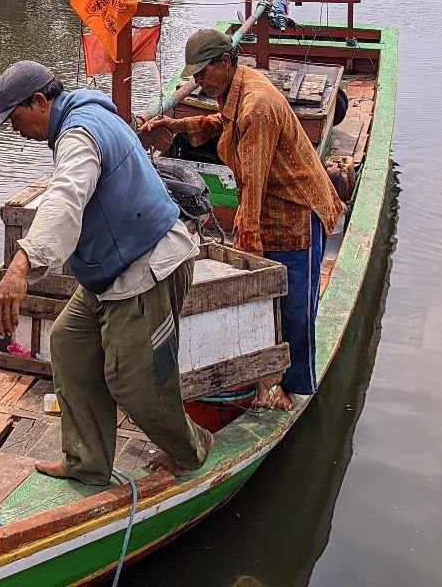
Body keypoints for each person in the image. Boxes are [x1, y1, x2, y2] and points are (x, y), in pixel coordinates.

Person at [0, 60, 214, 485]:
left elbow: (67, 196)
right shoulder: (89, 114)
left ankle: (192, 448)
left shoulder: (78, 135)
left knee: (135, 383)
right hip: (107, 273)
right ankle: (88, 462)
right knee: (69, 343)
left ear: (39, 101)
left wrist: (22, 264)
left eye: (15, 119)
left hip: (146, 269)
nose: (15, 131)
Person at [142, 30, 347, 411]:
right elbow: (223, 121)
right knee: (273, 294)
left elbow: (250, 188)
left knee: (295, 303)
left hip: (295, 210)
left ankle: (295, 386)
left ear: (224, 62)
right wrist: (178, 125)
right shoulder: (238, 89)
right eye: (195, 76)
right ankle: (267, 371)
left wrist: (246, 252)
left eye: (204, 73)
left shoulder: (257, 105)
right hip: (269, 202)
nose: (199, 82)